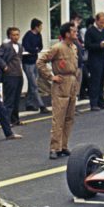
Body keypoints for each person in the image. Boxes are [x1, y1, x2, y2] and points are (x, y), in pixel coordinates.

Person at [38, 22, 80, 159]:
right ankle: (54, 148)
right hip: (61, 83)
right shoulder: (57, 47)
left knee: (69, 117)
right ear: (67, 34)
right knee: (59, 118)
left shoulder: (73, 47)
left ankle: (63, 146)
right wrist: (51, 76)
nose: (76, 33)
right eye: (74, 31)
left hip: (72, 83)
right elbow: (41, 61)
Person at [0, 27, 25, 126]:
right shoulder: (6, 46)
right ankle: (6, 120)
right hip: (10, 75)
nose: (16, 37)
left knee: (16, 99)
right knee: (9, 99)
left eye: (17, 34)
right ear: (9, 36)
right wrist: (4, 66)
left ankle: (15, 119)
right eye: (13, 35)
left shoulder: (20, 46)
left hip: (19, 74)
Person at [84, 12, 104, 111]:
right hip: (95, 58)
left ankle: (101, 101)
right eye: (101, 22)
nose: (102, 24)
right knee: (95, 80)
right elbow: (87, 45)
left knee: (102, 80)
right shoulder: (90, 31)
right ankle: (94, 103)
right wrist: (99, 45)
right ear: (96, 21)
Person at [21, 18, 47, 112]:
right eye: (40, 26)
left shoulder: (38, 35)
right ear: (36, 27)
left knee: (32, 83)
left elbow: (40, 46)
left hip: (34, 60)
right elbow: (27, 47)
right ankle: (41, 105)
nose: (41, 28)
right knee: (34, 84)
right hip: (27, 62)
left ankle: (29, 103)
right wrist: (35, 50)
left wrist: (36, 50)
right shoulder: (28, 36)